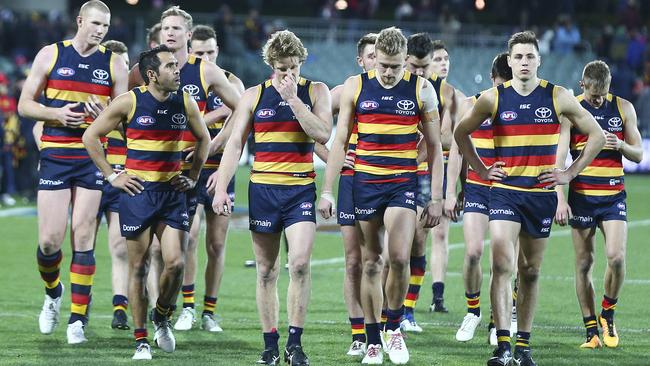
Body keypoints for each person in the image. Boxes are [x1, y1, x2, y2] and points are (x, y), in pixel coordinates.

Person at [454, 31, 605, 366]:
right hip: (505, 194)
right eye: (518, 57)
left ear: (539, 60)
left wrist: (568, 173)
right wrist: (480, 168)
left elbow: (595, 135)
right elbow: (460, 133)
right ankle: (503, 346)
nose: (524, 62)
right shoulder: (493, 98)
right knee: (501, 264)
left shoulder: (558, 96)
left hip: (540, 196)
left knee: (531, 271)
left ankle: (523, 346)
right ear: (510, 61)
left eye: (529, 57)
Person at [319, 27, 443, 364]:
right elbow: (340, 140)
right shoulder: (356, 86)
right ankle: (373, 340)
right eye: (383, 65)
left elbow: (434, 145)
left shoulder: (422, 89)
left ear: (406, 60)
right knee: (370, 262)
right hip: (364, 184)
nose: (387, 72)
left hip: (402, 184)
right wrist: (327, 191)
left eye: (394, 66)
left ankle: (394, 329)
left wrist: (436, 196)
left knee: (399, 258)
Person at [210, 30, 332, 366]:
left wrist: (294, 100)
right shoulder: (253, 95)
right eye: (281, 69)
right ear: (270, 65)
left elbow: (322, 134)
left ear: (301, 63)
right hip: (263, 189)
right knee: (265, 271)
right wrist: (221, 187)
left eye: (293, 67)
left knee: (301, 263)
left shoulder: (315, 91)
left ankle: (295, 343)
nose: (288, 74)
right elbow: (234, 144)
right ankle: (269, 344)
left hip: (299, 189)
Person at [83, 44, 210, 360]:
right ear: (152, 74)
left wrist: (193, 176)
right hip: (137, 194)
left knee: (176, 264)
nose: (177, 69)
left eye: (176, 65)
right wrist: (113, 176)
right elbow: (90, 137)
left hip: (171, 195)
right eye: (170, 66)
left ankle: (162, 315)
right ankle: (141, 340)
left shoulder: (186, 101)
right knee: (138, 268)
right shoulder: (129, 101)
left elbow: (204, 139)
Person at [17, 0, 128, 344]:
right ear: (80, 21)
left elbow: (124, 113)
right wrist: (56, 114)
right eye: (95, 23)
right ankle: (53, 293)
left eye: (105, 27)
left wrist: (107, 110)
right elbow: (24, 105)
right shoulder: (50, 54)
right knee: (49, 241)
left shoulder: (114, 63)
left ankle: (77, 319)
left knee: (83, 237)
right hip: (55, 157)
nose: (99, 31)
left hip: (92, 158)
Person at [128, 6, 241, 320]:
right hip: (163, 175)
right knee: (163, 248)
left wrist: (214, 142)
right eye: (166, 28)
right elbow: (124, 111)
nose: (170, 33)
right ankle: (162, 309)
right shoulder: (145, 69)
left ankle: (194, 310)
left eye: (176, 28)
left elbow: (241, 106)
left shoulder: (203, 69)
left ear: (188, 35)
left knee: (208, 244)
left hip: (202, 171)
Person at [555, 60, 643, 349]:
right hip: (582, 197)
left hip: (613, 195)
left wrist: (620, 145)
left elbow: (639, 154)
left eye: (602, 94)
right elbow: (559, 158)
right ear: (583, 86)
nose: (598, 100)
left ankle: (608, 312)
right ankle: (591, 330)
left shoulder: (623, 108)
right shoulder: (572, 111)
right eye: (593, 95)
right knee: (584, 264)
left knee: (616, 258)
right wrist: (560, 199)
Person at [173, 24, 245, 333]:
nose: (206, 57)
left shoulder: (230, 82)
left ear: (218, 51)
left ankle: (209, 311)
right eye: (200, 52)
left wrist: (214, 140)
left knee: (216, 244)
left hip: (221, 169)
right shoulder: (183, 78)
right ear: (191, 51)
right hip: (189, 166)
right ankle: (187, 307)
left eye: (211, 52)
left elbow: (242, 117)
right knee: (188, 237)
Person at [452, 53, 513, 344]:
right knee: (474, 252)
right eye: (500, 83)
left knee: (502, 260)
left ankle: (496, 321)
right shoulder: (472, 104)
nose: (503, 91)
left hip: (508, 190)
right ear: (492, 79)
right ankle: (473, 311)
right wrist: (451, 191)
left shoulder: (519, 105)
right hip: (477, 185)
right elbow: (457, 148)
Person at [401, 32, 458, 332]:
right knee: (386, 249)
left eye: (428, 66)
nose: (423, 72)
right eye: (418, 66)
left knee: (419, 239)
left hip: (423, 171)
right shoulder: (391, 84)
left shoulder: (444, 93)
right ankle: (381, 317)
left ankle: (407, 310)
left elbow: (446, 139)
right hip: (387, 172)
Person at [327, 32, 377, 358]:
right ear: (361, 60)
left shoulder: (403, 89)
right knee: (353, 260)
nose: (377, 61)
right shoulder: (347, 90)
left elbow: (425, 137)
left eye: (381, 54)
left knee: (379, 259)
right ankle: (358, 334)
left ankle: (383, 328)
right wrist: (330, 152)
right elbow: (314, 125)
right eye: (371, 56)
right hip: (350, 180)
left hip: (385, 182)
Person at [94, 39, 131, 330]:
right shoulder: (87, 95)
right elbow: (39, 127)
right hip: (90, 178)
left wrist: (108, 119)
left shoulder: (134, 101)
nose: (123, 69)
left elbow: (141, 138)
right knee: (82, 244)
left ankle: (120, 306)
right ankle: (80, 308)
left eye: (127, 65)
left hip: (121, 177)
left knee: (120, 246)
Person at [427, 39, 465, 313]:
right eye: (437, 59)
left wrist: (460, 187)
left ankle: (437, 295)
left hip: (442, 171)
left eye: (446, 59)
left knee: (440, 235)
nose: (443, 64)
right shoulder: (418, 92)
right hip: (417, 170)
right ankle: (402, 299)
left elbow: (460, 144)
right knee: (411, 236)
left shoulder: (457, 97)